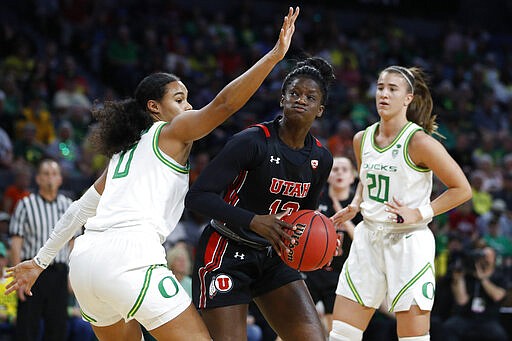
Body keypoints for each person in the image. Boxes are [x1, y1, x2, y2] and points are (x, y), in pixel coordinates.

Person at [4, 7, 299, 341]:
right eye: (180, 99)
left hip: (85, 263)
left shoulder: (124, 153)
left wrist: (40, 261)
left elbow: (79, 210)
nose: (188, 108)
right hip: (131, 256)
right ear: (154, 108)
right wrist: (274, 57)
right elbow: (223, 106)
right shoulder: (169, 131)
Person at [185, 56, 336, 341]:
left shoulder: (321, 158)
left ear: (320, 110)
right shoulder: (252, 141)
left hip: (273, 256)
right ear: (282, 99)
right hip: (227, 251)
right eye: (294, 93)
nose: (300, 100)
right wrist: (253, 221)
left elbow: (305, 215)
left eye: (310, 97)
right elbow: (197, 197)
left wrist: (322, 242)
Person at [329, 65, 472, 341]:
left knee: (412, 339)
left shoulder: (419, 142)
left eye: (392, 89)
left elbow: (462, 189)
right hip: (368, 238)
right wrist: (357, 203)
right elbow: (366, 178)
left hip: (408, 242)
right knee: (341, 335)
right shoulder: (362, 139)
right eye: (380, 87)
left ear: (408, 98)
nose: (383, 94)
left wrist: (419, 212)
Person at [8, 158, 73, 341]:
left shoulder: (69, 206)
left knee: (58, 328)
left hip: (59, 273)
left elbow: (73, 242)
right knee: (27, 328)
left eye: (54, 174)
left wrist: (72, 275)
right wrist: (17, 276)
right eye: (46, 174)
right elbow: (16, 241)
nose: (50, 178)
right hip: (31, 273)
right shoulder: (25, 204)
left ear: (60, 179)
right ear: (38, 179)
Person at [306, 156, 361, 336]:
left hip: (340, 275)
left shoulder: (359, 206)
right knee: (291, 326)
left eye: (344, 169)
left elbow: (360, 241)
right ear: (328, 175)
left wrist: (344, 220)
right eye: (335, 169)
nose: (339, 173)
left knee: (333, 331)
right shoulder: (315, 199)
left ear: (353, 177)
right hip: (311, 272)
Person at [443, 246, 508, 341]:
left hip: (488, 319)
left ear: (494, 259)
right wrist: (459, 279)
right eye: (482, 256)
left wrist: (482, 278)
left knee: (499, 334)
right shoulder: (469, 274)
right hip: (467, 317)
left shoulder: (499, 276)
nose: (484, 259)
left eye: (487, 256)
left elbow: (497, 296)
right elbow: (462, 301)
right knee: (448, 327)